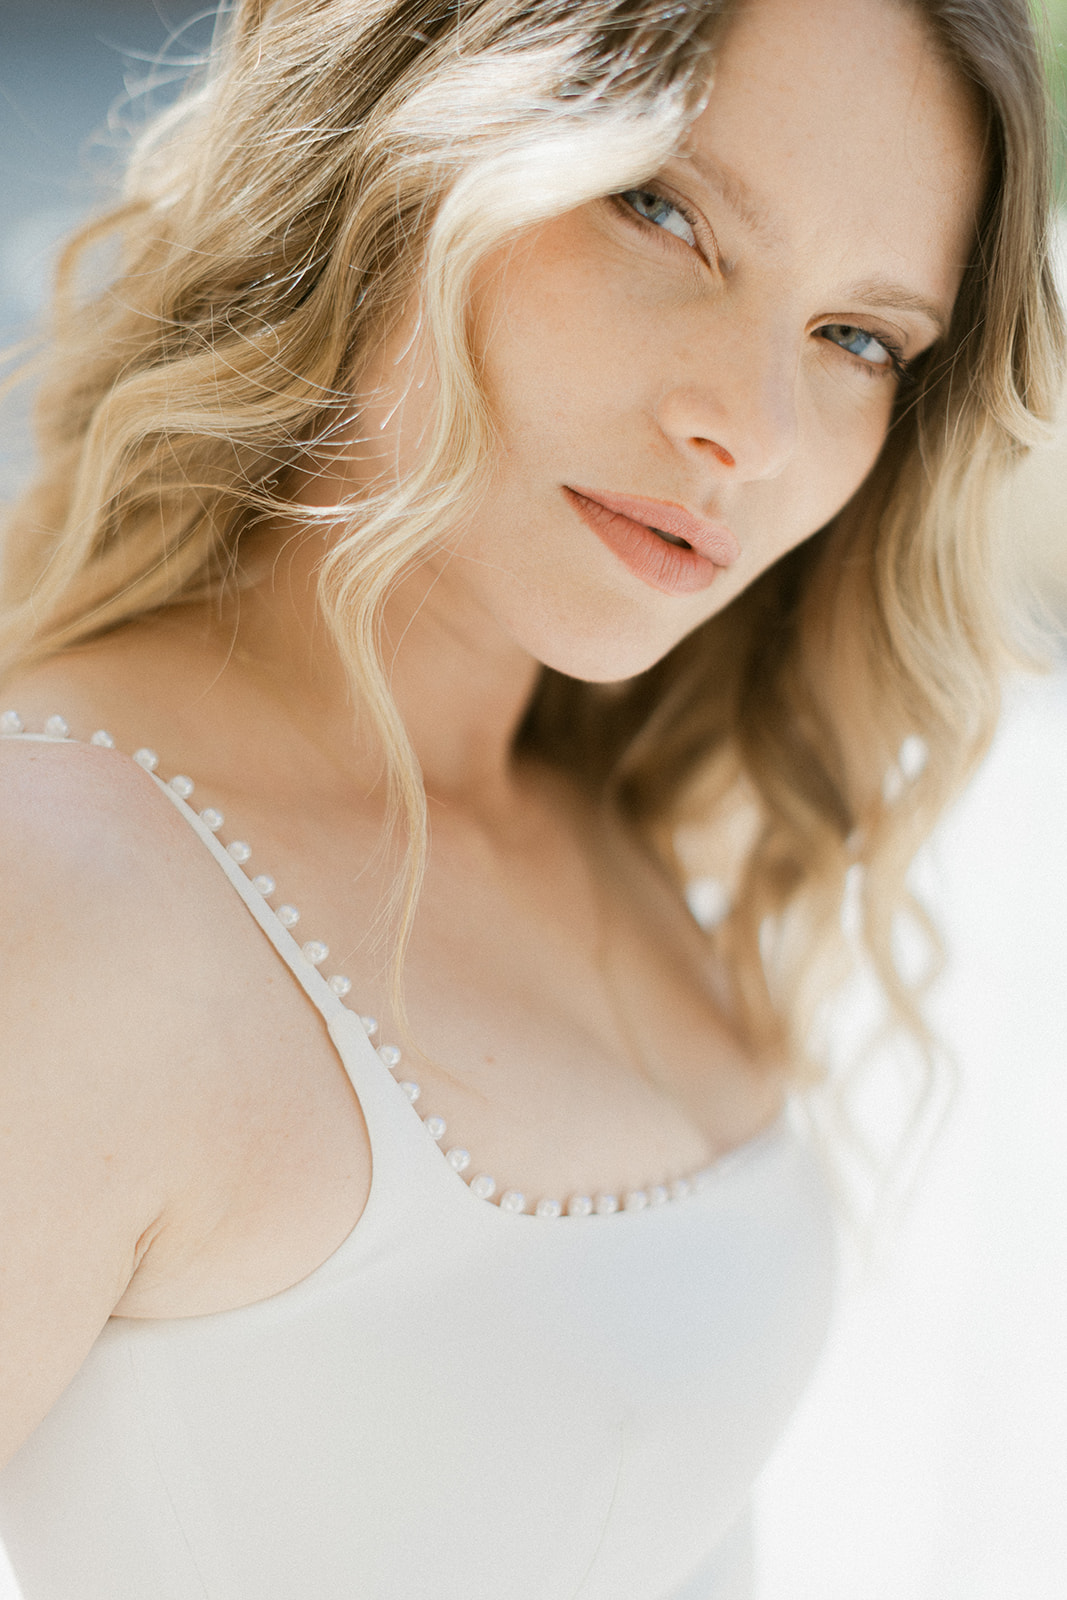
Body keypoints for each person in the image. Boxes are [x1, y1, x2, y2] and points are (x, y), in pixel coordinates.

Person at [0, 0, 1061, 1594]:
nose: (753, 433)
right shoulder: (64, 898)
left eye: (861, 338)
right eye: (666, 212)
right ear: (405, 149)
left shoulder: (610, 808)